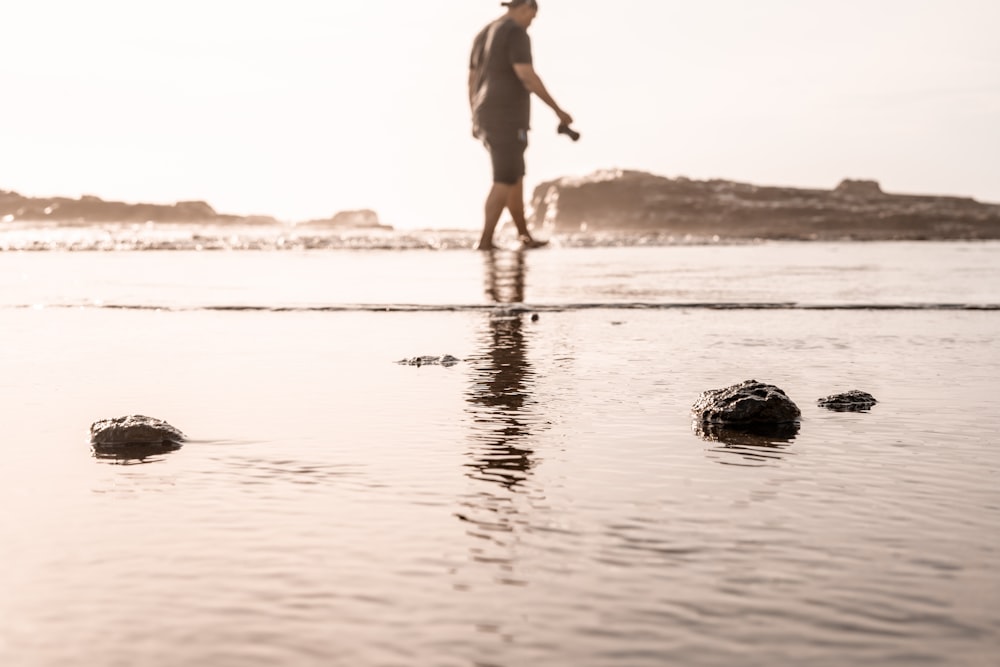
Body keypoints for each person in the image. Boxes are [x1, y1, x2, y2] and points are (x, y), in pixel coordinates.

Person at [468, 0, 573, 250]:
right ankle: (484, 242)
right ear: (525, 6)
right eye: (532, 16)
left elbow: (472, 78)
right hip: (506, 115)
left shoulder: (484, 33)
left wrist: (473, 113)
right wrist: (559, 111)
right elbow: (526, 76)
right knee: (504, 178)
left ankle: (523, 236)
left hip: (487, 112)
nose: (531, 23)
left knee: (515, 175)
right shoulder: (515, 32)